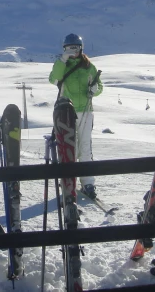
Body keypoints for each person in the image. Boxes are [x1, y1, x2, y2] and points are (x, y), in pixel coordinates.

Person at [49, 33, 103, 199]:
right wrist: (62, 61)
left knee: (85, 146)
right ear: (64, 49)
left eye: (76, 48)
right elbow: (54, 79)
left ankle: (88, 183)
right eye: (69, 48)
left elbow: (99, 86)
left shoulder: (89, 66)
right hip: (67, 111)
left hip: (86, 111)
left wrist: (96, 90)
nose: (73, 51)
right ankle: (68, 181)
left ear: (81, 48)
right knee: (69, 148)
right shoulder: (62, 65)